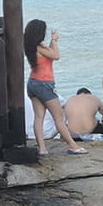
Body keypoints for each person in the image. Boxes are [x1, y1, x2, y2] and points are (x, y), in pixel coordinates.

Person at [24, 19, 87, 155]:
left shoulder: (32, 46)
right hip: (44, 84)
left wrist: (52, 42)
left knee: (39, 117)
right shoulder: (40, 47)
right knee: (59, 117)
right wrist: (55, 41)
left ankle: (42, 148)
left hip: (33, 83)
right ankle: (73, 145)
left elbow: (50, 54)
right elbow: (56, 56)